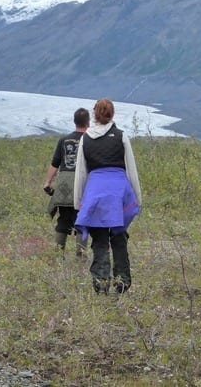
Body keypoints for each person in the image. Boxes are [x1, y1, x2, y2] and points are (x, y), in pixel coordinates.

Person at [74, 98, 141, 294]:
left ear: (94, 114)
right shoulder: (121, 136)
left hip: (95, 192)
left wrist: (79, 202)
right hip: (119, 192)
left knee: (100, 240)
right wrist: (137, 198)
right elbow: (131, 170)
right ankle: (122, 282)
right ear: (112, 114)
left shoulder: (85, 138)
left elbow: (81, 173)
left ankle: (101, 283)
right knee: (119, 237)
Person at [43, 108, 90, 256]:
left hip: (64, 184)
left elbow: (55, 163)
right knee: (82, 219)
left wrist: (48, 182)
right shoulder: (90, 140)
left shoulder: (64, 140)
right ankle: (80, 255)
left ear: (74, 121)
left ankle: (58, 255)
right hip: (83, 184)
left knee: (63, 219)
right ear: (88, 122)